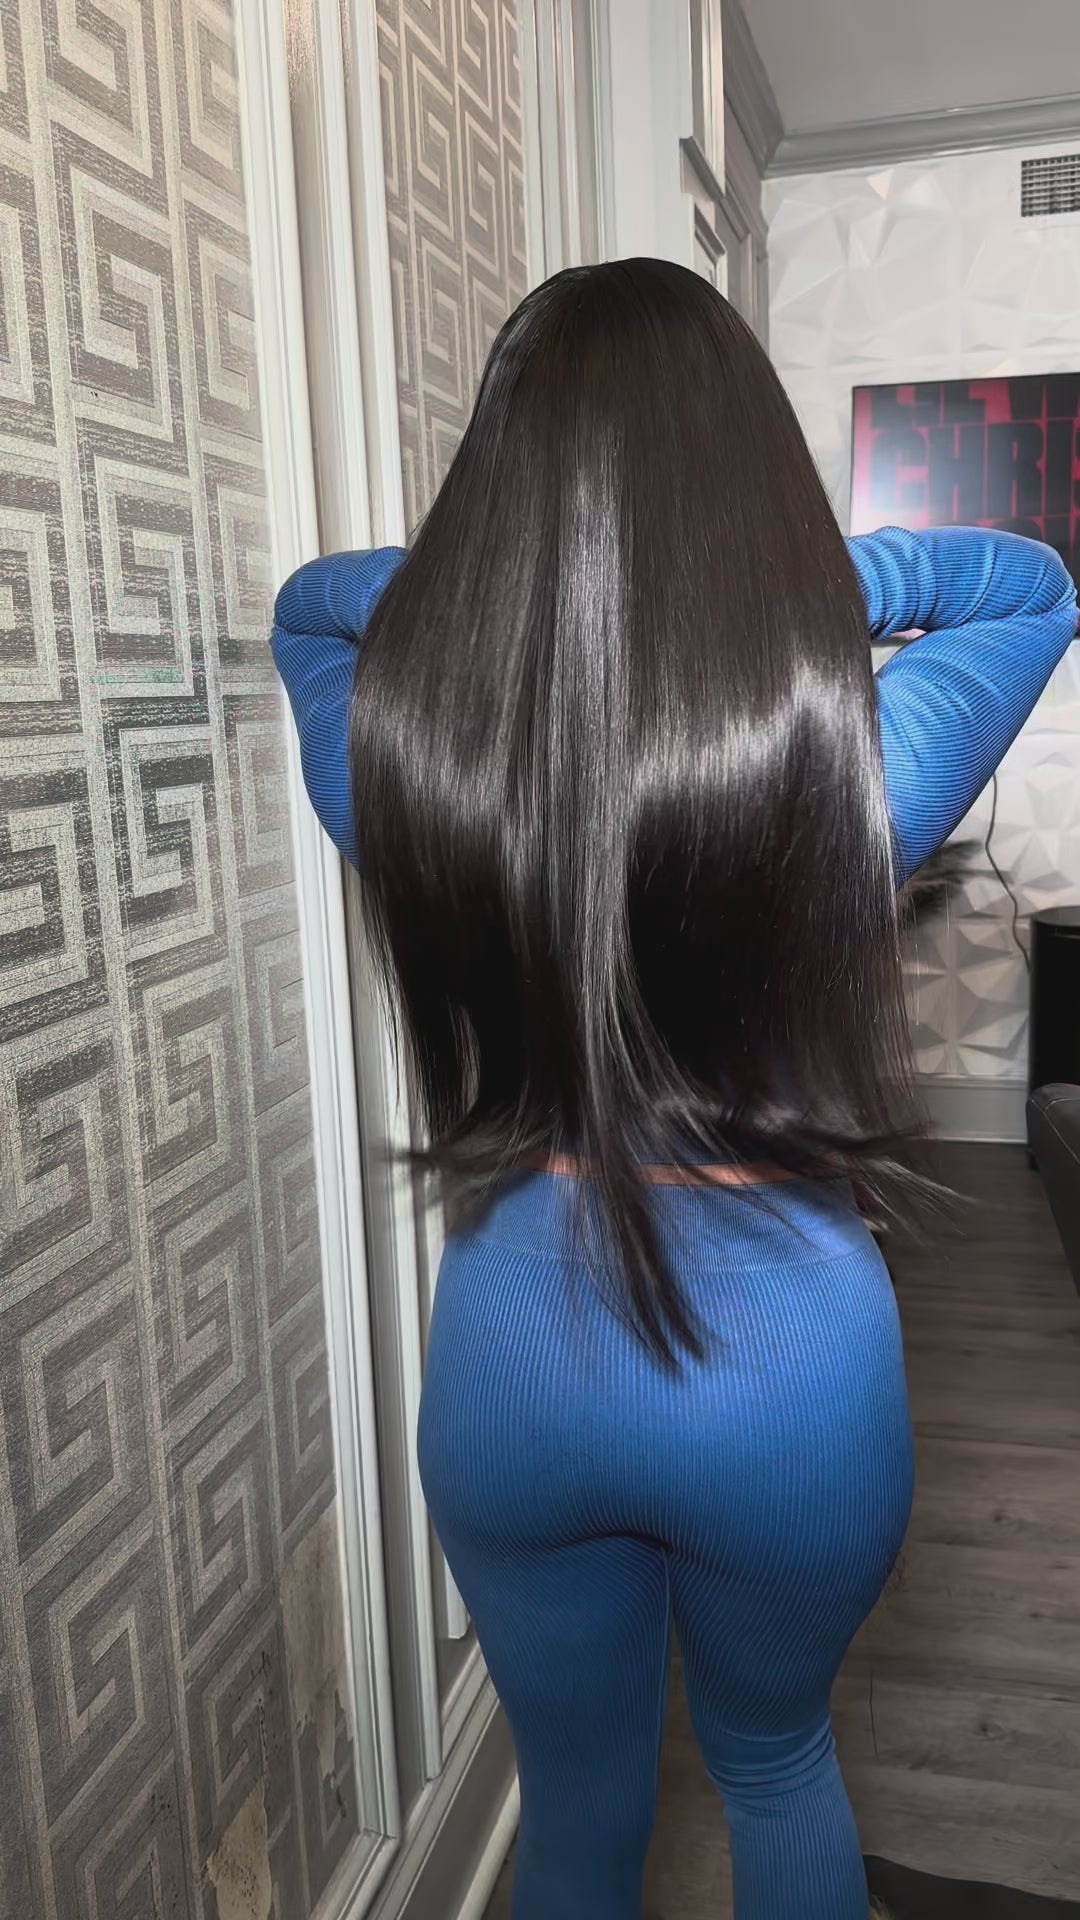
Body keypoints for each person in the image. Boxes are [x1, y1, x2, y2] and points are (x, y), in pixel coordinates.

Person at [270, 260, 1077, 1920]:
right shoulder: (844, 761)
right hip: (786, 1377)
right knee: (774, 1766)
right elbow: (1032, 588)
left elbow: (309, 608)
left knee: (575, 1812)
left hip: (511, 1366)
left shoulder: (420, 771)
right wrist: (777, 594)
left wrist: (512, 592)